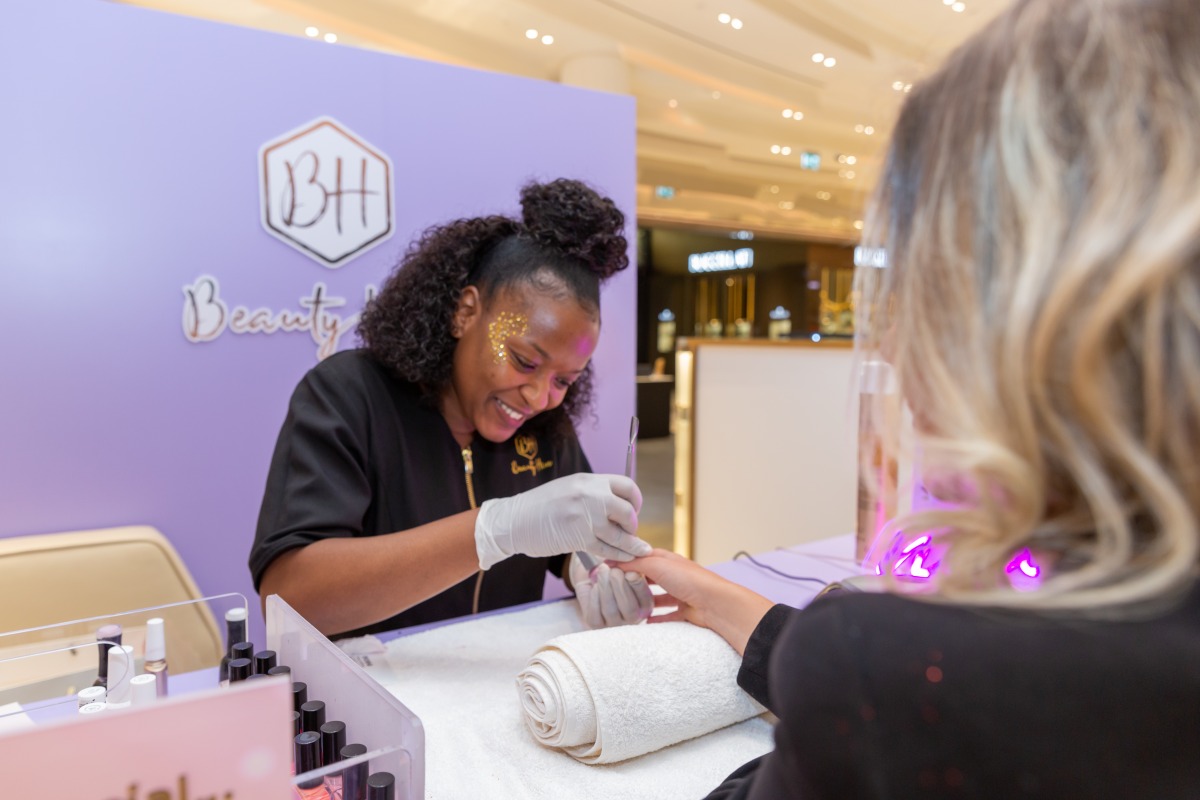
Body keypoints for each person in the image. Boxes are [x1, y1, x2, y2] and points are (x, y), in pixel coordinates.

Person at [620, 0, 1200, 796]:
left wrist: (842, 671)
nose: (893, 348)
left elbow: (910, 710)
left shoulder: (901, 669)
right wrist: (734, 606)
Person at [250, 178, 653, 639]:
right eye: (524, 361)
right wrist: (494, 529)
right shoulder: (348, 396)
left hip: (493, 692)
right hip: (374, 692)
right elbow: (290, 598)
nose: (540, 398)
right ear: (465, 313)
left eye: (565, 380)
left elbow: (562, 541)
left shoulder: (545, 429)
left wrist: (586, 566)